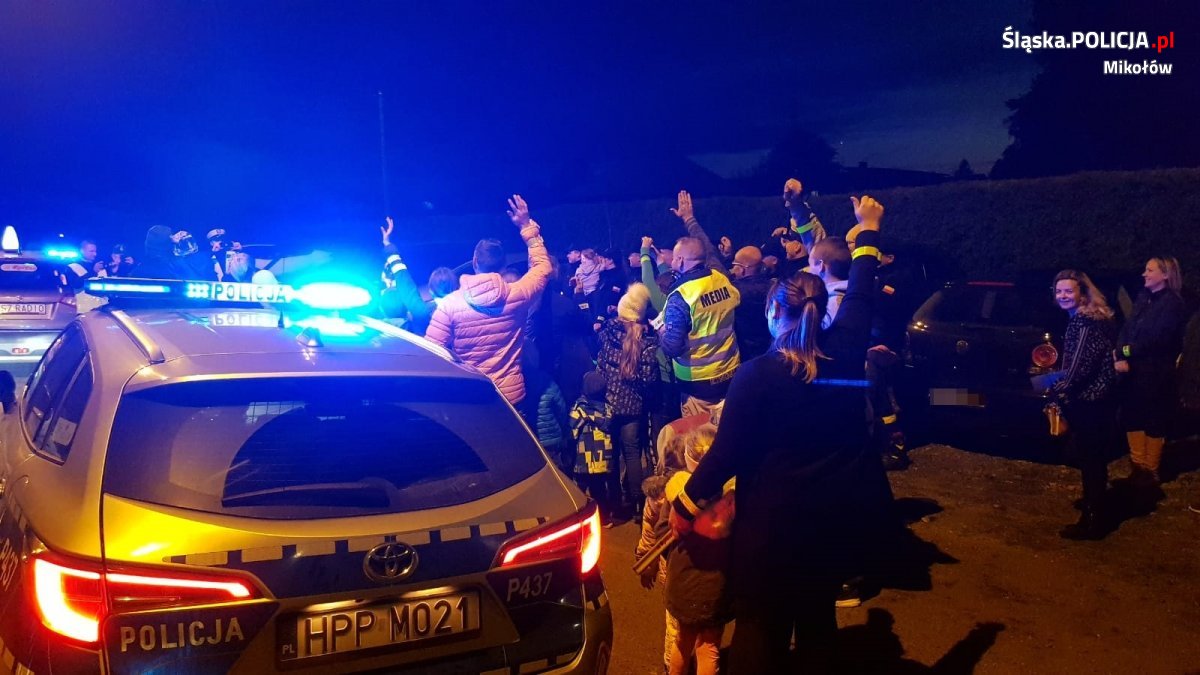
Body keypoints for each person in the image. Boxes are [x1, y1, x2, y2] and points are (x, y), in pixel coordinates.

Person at [669, 196, 894, 672]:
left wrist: (684, 505)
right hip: (829, 522)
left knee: (760, 630)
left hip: (769, 531)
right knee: (818, 626)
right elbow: (861, 293)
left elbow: (725, 455)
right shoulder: (846, 350)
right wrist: (869, 229)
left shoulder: (757, 376)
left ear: (774, 311)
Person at [425, 195, 552, 411]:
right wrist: (526, 225)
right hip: (511, 399)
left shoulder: (448, 305)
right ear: (504, 265)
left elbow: (432, 353)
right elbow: (543, 268)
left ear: (474, 261)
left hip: (470, 397)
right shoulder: (518, 294)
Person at [1049, 270, 1119, 540]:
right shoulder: (1093, 318)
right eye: (1059, 291)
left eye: (1069, 291)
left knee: (1090, 459)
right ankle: (1096, 514)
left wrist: (1051, 387)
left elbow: (1078, 368)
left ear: (1082, 294)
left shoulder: (1084, 322)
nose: (1063, 296)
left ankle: (1093, 521)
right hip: (1099, 398)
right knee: (1094, 459)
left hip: (1091, 400)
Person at [661, 190, 742, 418]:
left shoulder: (681, 297)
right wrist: (689, 219)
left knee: (700, 435)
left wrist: (661, 332)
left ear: (681, 261)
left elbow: (672, 347)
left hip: (697, 383)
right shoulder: (720, 278)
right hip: (730, 371)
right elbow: (710, 253)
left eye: (674, 258)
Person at [663, 426, 733, 675]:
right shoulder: (731, 499)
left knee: (682, 641)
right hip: (717, 584)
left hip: (685, 581)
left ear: (688, 458)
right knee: (709, 646)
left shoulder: (678, 497)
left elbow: (662, 530)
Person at [1114, 257, 1187, 488]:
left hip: (1156, 373)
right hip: (1134, 372)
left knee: (1153, 419)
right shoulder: (1143, 298)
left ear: (1165, 275)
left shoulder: (1172, 304)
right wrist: (1121, 351)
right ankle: (1138, 467)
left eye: (1150, 270)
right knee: (1132, 416)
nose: (1144, 274)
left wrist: (1126, 351)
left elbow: (1157, 339)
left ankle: (1150, 470)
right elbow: (1127, 329)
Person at [597, 283, 659, 521]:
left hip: (609, 403)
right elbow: (649, 379)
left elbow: (600, 366)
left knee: (612, 454)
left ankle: (615, 504)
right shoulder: (647, 341)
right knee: (633, 454)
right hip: (633, 407)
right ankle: (637, 505)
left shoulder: (607, 334)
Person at [570, 371, 617, 523]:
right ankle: (604, 518)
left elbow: (572, 429)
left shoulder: (580, 408)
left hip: (584, 458)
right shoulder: (608, 408)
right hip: (602, 459)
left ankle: (578, 518)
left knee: (580, 489)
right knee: (600, 490)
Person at [729, 245, 774, 360]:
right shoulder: (773, 287)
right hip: (770, 347)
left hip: (745, 352)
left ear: (742, 269)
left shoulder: (735, 292)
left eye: (734, 265)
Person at [807, 237, 851, 327]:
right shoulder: (853, 293)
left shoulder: (832, 306)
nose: (808, 270)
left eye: (810, 264)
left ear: (821, 266)